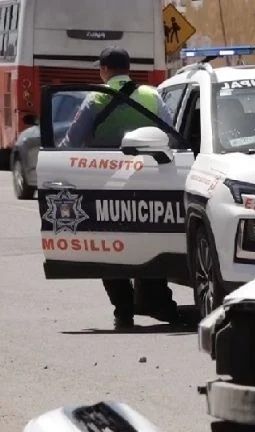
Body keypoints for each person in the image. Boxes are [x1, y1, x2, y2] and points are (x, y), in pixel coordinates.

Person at [62, 47, 179, 329]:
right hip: (152, 181)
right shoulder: (152, 95)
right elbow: (173, 136)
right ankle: (159, 301)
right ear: (129, 68)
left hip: (104, 185)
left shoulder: (96, 98)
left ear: (103, 69)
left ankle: (124, 309)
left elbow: (70, 144)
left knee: (108, 246)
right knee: (152, 239)